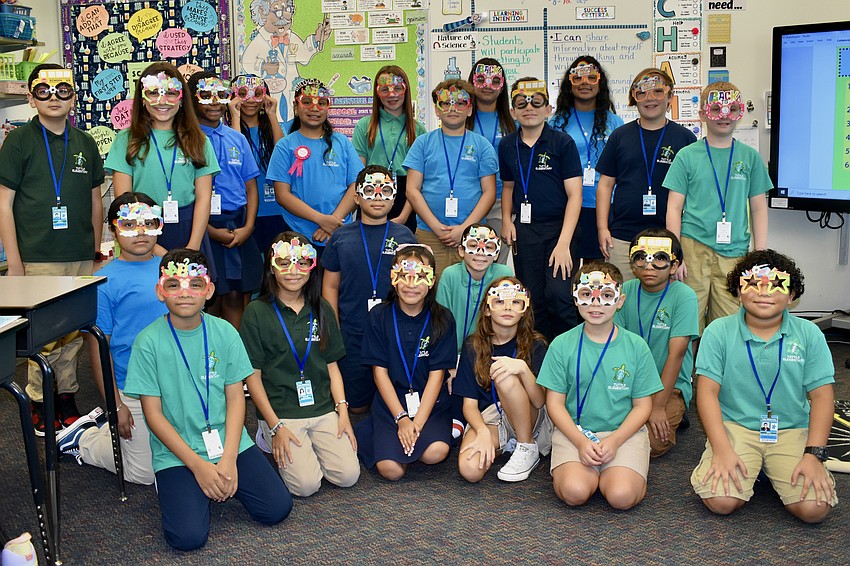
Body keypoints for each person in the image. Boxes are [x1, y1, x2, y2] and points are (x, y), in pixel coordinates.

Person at [123, 249, 292, 550]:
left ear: (209, 290)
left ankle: (218, 479)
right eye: (174, 284)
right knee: (187, 538)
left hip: (229, 442)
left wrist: (228, 458)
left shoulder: (225, 332)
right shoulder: (147, 342)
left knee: (276, 509)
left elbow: (236, 398)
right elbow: (154, 415)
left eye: (195, 284)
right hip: (178, 451)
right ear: (160, 291)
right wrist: (199, 466)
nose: (184, 293)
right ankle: (178, 482)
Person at [691, 249, 837, 523]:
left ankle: (769, 467)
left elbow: (822, 397)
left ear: (792, 295)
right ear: (738, 290)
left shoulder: (809, 334)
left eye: (776, 285)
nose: (764, 292)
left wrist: (814, 455)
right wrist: (722, 449)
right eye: (754, 284)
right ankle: (756, 466)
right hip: (735, 427)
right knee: (721, 502)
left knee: (814, 509)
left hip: (791, 428)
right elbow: (707, 393)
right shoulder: (717, 331)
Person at [0, 63, 105, 433]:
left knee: (73, 332)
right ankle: (39, 398)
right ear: (31, 98)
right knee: (43, 336)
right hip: (37, 257)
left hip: (78, 255)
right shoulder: (18, 141)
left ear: (73, 97)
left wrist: (95, 249)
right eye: (44, 91)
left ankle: (67, 396)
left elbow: (96, 200)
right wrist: (14, 262)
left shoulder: (85, 143)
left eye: (63, 90)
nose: (54, 97)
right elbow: (4, 203)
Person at [56, 193, 167, 484]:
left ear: (159, 224)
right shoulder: (104, 283)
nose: (140, 232)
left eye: (147, 223)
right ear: (114, 229)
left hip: (176, 382)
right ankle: (85, 439)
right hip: (133, 389)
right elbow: (97, 348)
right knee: (143, 474)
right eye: (129, 224)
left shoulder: (174, 271)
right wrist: (114, 404)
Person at [240, 232, 360, 496]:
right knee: (305, 486)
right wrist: (274, 425)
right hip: (282, 411)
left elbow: (331, 366)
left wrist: (343, 413)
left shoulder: (322, 308)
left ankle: (311, 444)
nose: (293, 271)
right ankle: (265, 436)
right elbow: (253, 377)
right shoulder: (256, 312)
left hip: (322, 406)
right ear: (271, 268)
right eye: (284, 263)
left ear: (312, 266)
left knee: (348, 476)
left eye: (302, 263)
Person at [537, 262, 662, 510]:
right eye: (587, 295)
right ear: (575, 298)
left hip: (623, 433)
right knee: (575, 492)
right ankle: (596, 473)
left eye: (606, 295)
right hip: (575, 433)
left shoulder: (636, 346)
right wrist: (581, 442)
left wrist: (615, 442)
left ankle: (617, 473)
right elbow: (555, 404)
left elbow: (642, 406)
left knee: (621, 496)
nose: (596, 303)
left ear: (620, 300)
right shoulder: (561, 345)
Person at [665, 81, 772, 333]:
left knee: (729, 323)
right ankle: (686, 373)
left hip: (734, 253)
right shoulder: (687, 156)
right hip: (692, 249)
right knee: (687, 321)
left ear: (739, 113)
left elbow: (758, 208)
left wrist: (760, 256)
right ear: (703, 114)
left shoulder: (750, 157)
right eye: (716, 109)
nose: (724, 116)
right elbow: (673, 208)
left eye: (732, 109)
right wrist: (676, 254)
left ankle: (721, 373)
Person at [321, 166, 417, 413]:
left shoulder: (405, 235)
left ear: (394, 197)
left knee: (397, 398)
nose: (377, 197)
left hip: (395, 330)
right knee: (358, 407)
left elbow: (417, 284)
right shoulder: (341, 237)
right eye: (369, 191)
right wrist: (334, 327)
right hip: (353, 332)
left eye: (385, 191)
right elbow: (330, 286)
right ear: (356, 197)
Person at [358, 245, 457, 480]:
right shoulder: (379, 316)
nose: (412, 285)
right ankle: (372, 428)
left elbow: (437, 375)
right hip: (391, 402)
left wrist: (418, 423)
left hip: (430, 404)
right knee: (391, 471)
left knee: (436, 453)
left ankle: (414, 438)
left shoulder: (443, 318)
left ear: (432, 281)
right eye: (404, 276)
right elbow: (379, 374)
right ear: (394, 278)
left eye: (421, 277)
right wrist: (402, 419)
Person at [106, 62, 220, 258]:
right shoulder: (126, 140)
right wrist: (155, 248)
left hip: (190, 229)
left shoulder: (198, 139)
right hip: (142, 231)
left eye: (171, 93)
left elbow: (203, 197)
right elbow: (123, 199)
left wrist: (193, 246)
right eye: (153, 93)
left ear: (181, 98)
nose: (162, 100)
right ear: (142, 99)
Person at [500, 78, 583, 342]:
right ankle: (539, 357)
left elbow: (575, 195)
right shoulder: (506, 145)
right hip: (525, 231)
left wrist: (564, 244)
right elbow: (508, 187)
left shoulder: (562, 143)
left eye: (537, 102)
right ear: (513, 112)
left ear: (548, 109)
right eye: (521, 103)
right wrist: (506, 220)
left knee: (559, 295)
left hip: (561, 230)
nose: (529, 108)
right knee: (532, 298)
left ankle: (568, 355)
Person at [596, 69, 697, 280]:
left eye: (658, 92)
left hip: (667, 239)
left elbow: (694, 192)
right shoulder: (620, 136)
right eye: (642, 93)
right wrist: (602, 228)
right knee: (620, 300)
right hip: (623, 237)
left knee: (661, 307)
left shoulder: (685, 139)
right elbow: (605, 185)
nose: (650, 99)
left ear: (670, 96)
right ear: (634, 98)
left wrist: (678, 245)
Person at [454, 278, 551, 483]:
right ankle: (506, 446)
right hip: (492, 417)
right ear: (488, 309)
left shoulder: (537, 344)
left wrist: (523, 370)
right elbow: (469, 406)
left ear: (524, 309)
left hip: (530, 416)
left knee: (505, 375)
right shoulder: (473, 346)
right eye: (500, 301)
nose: (508, 307)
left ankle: (526, 446)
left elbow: (540, 401)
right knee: (469, 470)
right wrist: (481, 432)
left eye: (516, 302)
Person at [187, 71, 262, 329]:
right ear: (191, 99)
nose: (215, 102)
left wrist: (249, 227)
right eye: (206, 96)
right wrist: (210, 231)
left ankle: (233, 358)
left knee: (235, 294)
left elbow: (251, 187)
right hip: (203, 224)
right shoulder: (186, 140)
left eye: (221, 95)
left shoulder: (236, 138)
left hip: (238, 223)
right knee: (208, 296)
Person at [614, 229, 698, 457]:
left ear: (673, 266)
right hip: (630, 384)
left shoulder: (684, 296)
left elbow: (677, 354)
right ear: (633, 262)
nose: (649, 265)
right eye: (641, 257)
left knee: (653, 444)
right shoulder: (624, 292)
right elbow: (616, 346)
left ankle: (675, 410)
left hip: (667, 387)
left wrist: (658, 406)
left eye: (660, 258)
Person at [404, 79, 498, 277]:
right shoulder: (423, 143)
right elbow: (412, 190)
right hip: (429, 233)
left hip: (473, 236)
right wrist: (437, 228)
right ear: (437, 110)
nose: (452, 108)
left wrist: (465, 229)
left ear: (470, 109)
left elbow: (489, 193)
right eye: (445, 103)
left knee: (469, 292)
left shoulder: (482, 146)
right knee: (428, 291)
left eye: (460, 103)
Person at [266, 79, 363, 249]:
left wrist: (332, 222)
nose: (314, 108)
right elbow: (282, 195)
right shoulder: (285, 145)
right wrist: (320, 219)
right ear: (296, 107)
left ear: (328, 107)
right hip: (297, 233)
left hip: (338, 231)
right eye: (307, 102)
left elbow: (356, 185)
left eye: (321, 103)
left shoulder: (342, 142)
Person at [550, 56, 623, 263]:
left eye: (591, 78)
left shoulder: (615, 122)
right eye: (578, 78)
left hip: (604, 207)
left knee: (597, 275)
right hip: (567, 206)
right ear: (569, 84)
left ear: (600, 84)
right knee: (566, 273)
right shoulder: (556, 122)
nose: (584, 83)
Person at [352, 66, 426, 232]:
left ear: (406, 91)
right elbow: (358, 173)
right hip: (371, 192)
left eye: (398, 89)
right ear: (377, 92)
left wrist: (404, 214)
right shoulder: (365, 125)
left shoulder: (418, 129)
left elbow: (418, 181)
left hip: (406, 196)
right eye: (385, 89)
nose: (392, 95)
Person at [239, 0, 331, 119]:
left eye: (287, 10)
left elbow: (303, 55)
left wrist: (317, 38)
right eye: (276, 11)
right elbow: (247, 62)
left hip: (291, 92)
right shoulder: (258, 41)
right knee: (273, 120)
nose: (283, 17)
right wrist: (263, 66)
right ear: (262, 12)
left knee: (292, 119)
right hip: (272, 92)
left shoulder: (291, 37)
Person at [227, 74, 287, 253]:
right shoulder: (228, 133)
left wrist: (272, 116)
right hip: (245, 212)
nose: (250, 100)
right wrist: (235, 117)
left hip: (277, 209)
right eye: (243, 93)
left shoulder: (275, 128)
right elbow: (235, 158)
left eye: (257, 93)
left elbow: (282, 156)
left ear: (265, 96)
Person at [467, 58, 517, 263]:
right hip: (469, 199)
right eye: (481, 79)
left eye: (494, 81)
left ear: (502, 85)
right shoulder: (461, 118)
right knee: (469, 261)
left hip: (501, 202)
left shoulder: (513, 122)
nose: (488, 86)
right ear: (472, 82)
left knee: (495, 262)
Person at [437, 224, 513, 354]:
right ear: (461, 250)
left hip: (491, 351)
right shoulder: (450, 275)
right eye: (473, 245)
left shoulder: (503, 275)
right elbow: (440, 321)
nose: (480, 252)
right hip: (453, 352)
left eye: (488, 247)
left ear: (496, 254)